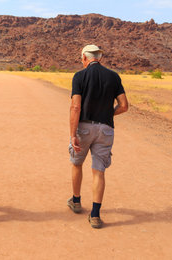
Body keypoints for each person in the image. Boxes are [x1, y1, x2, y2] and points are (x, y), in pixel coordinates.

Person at [67, 45, 128, 228]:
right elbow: (124, 105)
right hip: (106, 129)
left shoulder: (79, 76)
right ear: (98, 58)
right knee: (98, 170)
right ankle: (95, 214)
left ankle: (76, 201)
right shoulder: (114, 76)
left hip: (84, 127)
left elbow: (75, 107)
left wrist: (72, 134)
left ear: (85, 58)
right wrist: (108, 115)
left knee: (77, 163)